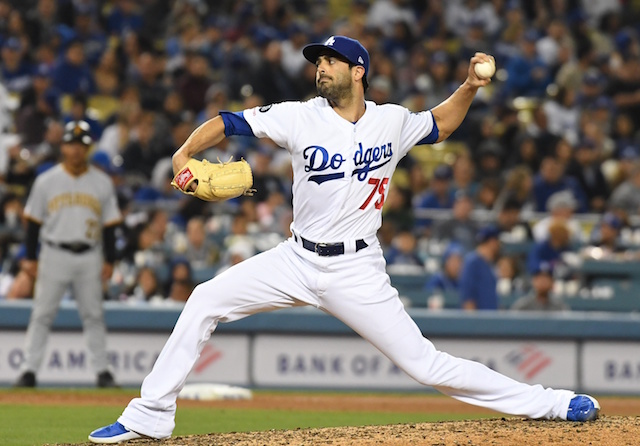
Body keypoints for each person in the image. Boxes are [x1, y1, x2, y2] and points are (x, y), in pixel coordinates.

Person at [89, 35, 599, 444]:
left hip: (356, 270)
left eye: (332, 61)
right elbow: (227, 122)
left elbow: (440, 125)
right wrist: (182, 155)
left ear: (358, 71)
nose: (321, 68)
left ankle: (550, 403)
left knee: (425, 364)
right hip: (295, 257)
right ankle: (151, 415)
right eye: (319, 62)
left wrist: (469, 85)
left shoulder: (391, 121)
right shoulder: (299, 115)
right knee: (204, 299)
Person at [14, 120, 122, 389]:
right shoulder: (46, 181)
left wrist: (110, 259)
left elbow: (110, 225)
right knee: (42, 313)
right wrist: (30, 257)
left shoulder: (102, 182)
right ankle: (29, 369)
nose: (76, 150)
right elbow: (33, 223)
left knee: (94, 315)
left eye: (81, 144)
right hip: (54, 252)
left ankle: (102, 372)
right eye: (71, 144)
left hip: (90, 255)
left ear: (88, 148)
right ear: (63, 146)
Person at [459, 225, 501, 311]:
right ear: (492, 242)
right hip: (479, 320)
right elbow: (468, 298)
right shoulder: (472, 262)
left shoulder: (489, 263)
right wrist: (472, 322)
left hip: (490, 318)